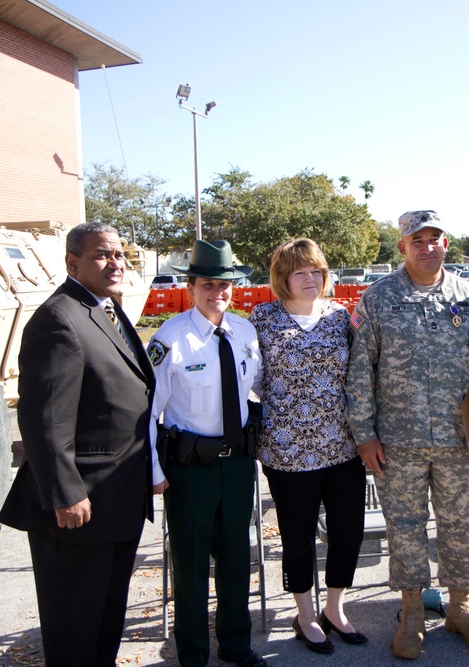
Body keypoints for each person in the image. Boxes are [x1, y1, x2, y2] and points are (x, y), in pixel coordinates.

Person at [0, 221, 166, 667]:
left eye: (120, 255)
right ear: (73, 262)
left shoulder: (104, 307)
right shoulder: (59, 318)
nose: (115, 264)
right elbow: (43, 418)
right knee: (74, 623)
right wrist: (66, 492)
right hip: (79, 507)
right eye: (101, 255)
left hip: (117, 498)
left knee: (107, 614)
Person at [345, 211, 469, 660]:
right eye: (418, 240)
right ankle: (412, 612)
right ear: (402, 247)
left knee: (461, 525)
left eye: (435, 239)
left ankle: (461, 607)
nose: (427, 247)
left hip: (460, 440)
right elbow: (359, 372)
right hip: (398, 441)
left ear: (446, 244)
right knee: (405, 528)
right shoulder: (378, 299)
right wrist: (364, 435)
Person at [147, 239, 266, 667]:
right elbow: (149, 410)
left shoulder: (245, 332)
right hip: (190, 470)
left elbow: (261, 387)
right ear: (191, 286)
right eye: (208, 284)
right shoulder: (170, 338)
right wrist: (153, 470)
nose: (218, 292)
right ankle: (193, 656)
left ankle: (236, 646)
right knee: (191, 567)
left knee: (237, 560)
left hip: (237, 465)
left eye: (225, 285)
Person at [248, 238, 367, 656]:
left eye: (316, 270)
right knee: (297, 535)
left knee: (348, 531)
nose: (310, 278)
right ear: (283, 278)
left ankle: (335, 608)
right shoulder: (262, 318)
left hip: (342, 446)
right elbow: (251, 377)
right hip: (287, 451)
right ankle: (305, 613)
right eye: (300, 272)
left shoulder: (340, 317)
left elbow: (360, 374)